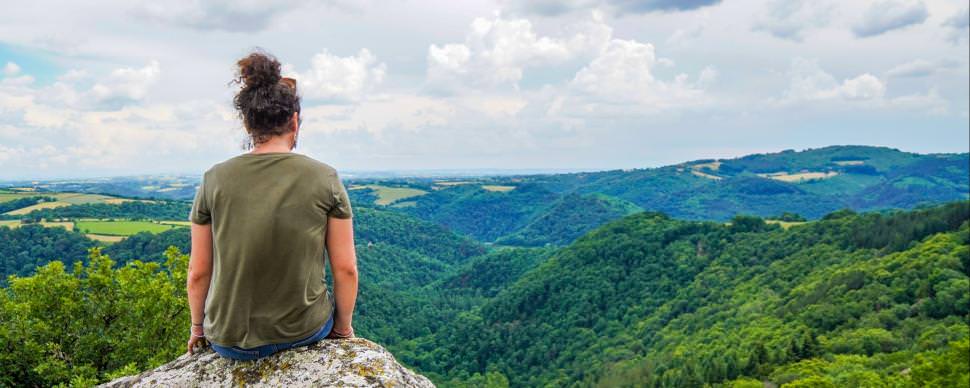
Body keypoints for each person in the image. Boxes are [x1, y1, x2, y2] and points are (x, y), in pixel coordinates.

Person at [184, 50, 359, 361]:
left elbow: (198, 272)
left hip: (228, 339)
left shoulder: (214, 178)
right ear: (294, 121)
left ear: (248, 124)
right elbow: (345, 269)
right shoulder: (324, 177)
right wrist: (343, 330)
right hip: (304, 331)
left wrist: (199, 329)